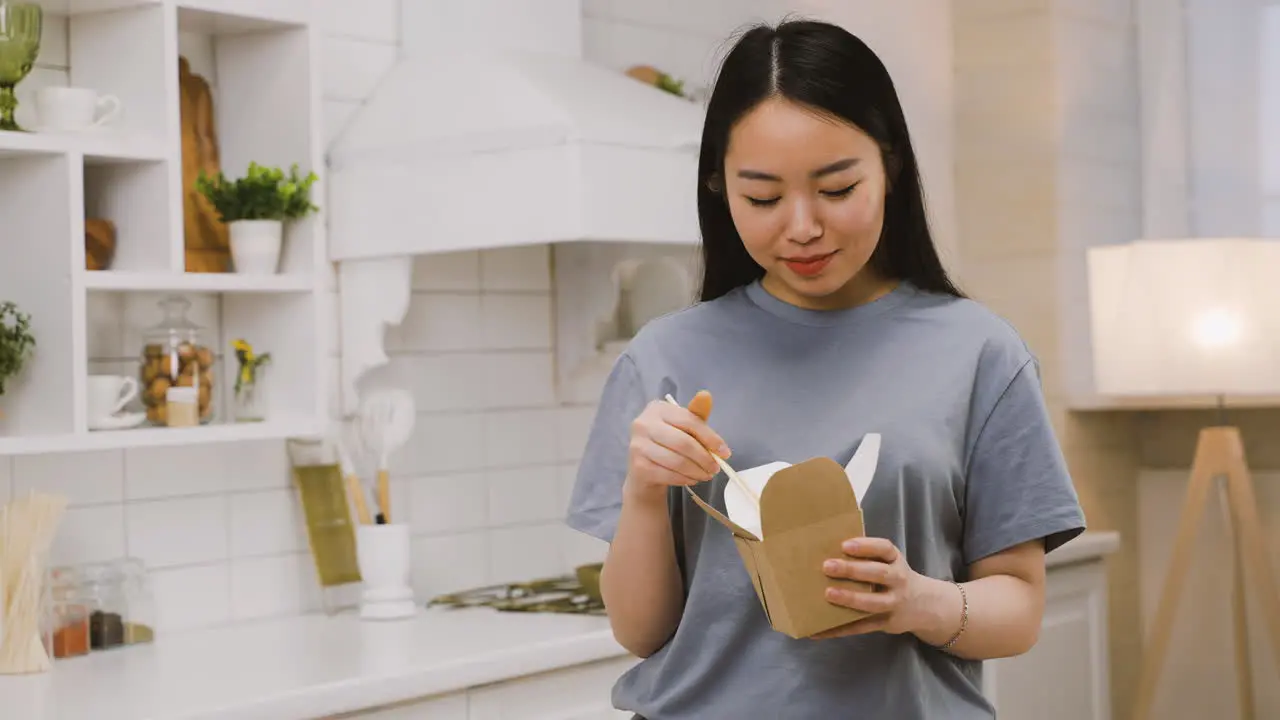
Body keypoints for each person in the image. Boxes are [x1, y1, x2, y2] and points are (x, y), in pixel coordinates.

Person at [565, 17, 1086, 720]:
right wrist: (640, 494)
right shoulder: (663, 357)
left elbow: (1018, 607)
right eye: (763, 198)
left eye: (837, 188)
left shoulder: (980, 353)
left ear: (890, 167)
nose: (802, 226)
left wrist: (918, 601)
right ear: (719, 187)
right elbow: (641, 633)